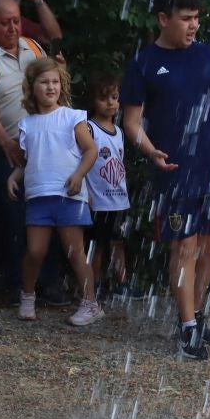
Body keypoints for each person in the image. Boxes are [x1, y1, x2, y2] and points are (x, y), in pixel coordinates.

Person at [121, 0, 210, 357]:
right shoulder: (144, 63)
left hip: (209, 166)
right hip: (173, 168)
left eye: (197, 19)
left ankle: (194, 312)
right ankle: (189, 327)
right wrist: (149, 150)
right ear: (163, 18)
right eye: (186, 19)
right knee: (185, 245)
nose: (194, 26)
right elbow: (131, 121)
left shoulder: (207, 57)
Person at [0, 0, 61, 302]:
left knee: (49, 208)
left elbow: (55, 38)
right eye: (5, 22)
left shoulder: (33, 47)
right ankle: (15, 281)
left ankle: (48, 281)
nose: (13, 28)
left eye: (17, 21)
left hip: (43, 143)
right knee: (13, 213)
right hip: (4, 143)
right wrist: (8, 144)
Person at [10, 57, 101, 326]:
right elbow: (28, 160)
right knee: (35, 251)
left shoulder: (73, 117)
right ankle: (27, 296)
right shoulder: (27, 124)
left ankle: (91, 303)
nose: (51, 87)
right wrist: (13, 177)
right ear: (31, 87)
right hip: (38, 196)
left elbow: (91, 150)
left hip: (69, 195)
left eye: (55, 82)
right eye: (44, 82)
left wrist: (78, 174)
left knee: (75, 252)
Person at [82, 72, 132, 300]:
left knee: (118, 241)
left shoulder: (120, 132)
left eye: (114, 97)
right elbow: (80, 162)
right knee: (96, 246)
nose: (111, 102)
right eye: (104, 98)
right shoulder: (88, 129)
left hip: (118, 200)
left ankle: (122, 283)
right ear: (93, 101)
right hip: (98, 201)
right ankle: (93, 286)